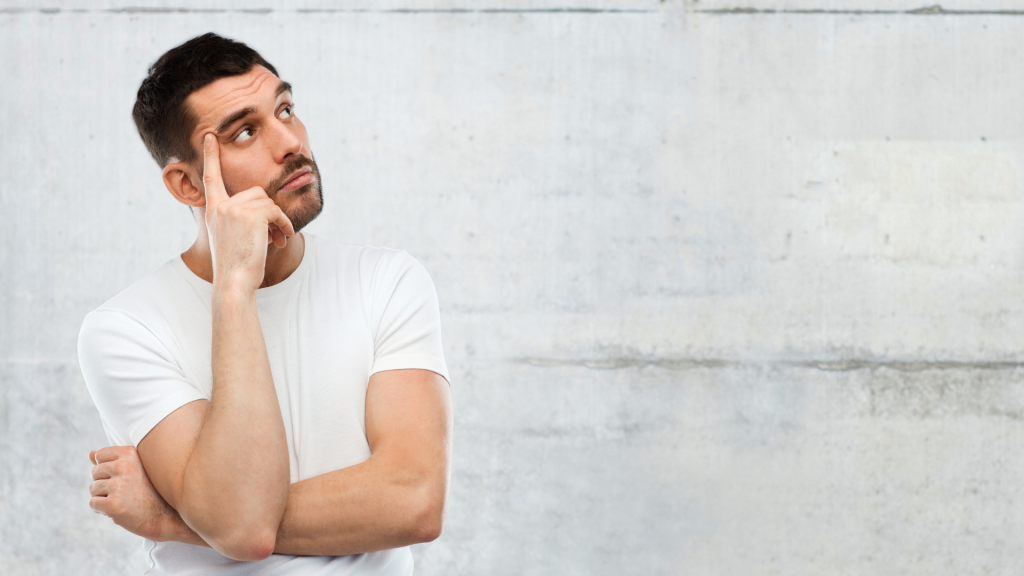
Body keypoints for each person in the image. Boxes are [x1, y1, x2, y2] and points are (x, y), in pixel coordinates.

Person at [77, 33, 453, 575]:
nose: (290, 142)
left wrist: (176, 518)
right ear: (187, 185)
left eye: (286, 109)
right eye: (246, 131)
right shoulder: (126, 329)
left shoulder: (387, 281)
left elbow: (414, 502)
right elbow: (242, 528)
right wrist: (234, 289)